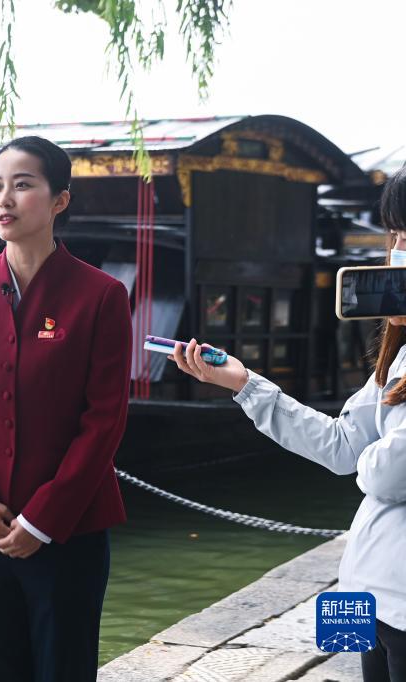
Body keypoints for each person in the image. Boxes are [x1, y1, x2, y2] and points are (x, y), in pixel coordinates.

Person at [171, 166, 406, 682]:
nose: (397, 251)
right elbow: (343, 447)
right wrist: (243, 383)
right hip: (369, 591)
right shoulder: (399, 355)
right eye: (394, 235)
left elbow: (388, 473)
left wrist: (377, 457)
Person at [0, 135, 133, 681]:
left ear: (60, 199)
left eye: (22, 185)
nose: (4, 199)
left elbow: (104, 420)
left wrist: (43, 519)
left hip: (68, 530)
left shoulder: (101, 295)